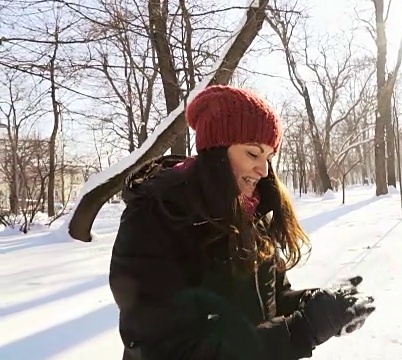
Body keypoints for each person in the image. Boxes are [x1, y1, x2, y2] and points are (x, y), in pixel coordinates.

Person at [108, 85, 376, 360]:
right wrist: (301, 330)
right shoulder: (156, 216)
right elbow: (166, 350)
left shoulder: (251, 212)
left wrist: (320, 307)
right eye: (252, 153)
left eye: (268, 157)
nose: (263, 170)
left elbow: (271, 300)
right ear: (216, 150)